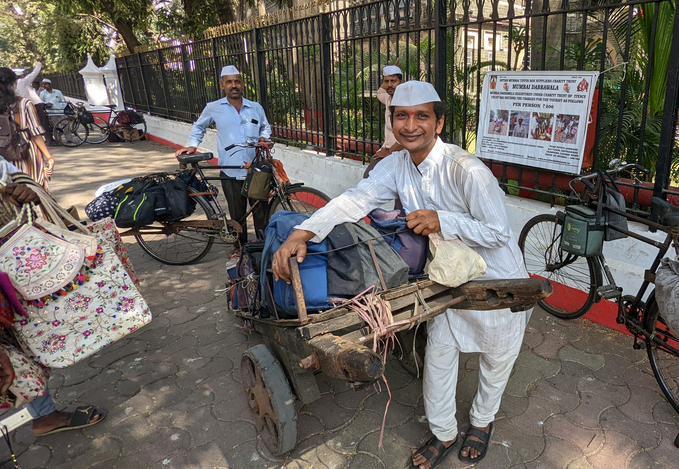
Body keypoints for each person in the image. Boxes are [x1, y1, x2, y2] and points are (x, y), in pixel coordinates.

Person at [272, 81, 531, 468]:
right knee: (440, 353)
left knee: (497, 356)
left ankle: (482, 421)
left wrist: (442, 219)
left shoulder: (466, 170)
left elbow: (498, 232)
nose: (411, 125)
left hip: (495, 275)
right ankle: (443, 431)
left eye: (422, 116)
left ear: (438, 123)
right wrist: (303, 232)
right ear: (392, 121)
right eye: (402, 116)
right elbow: (355, 198)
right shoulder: (396, 164)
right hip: (443, 277)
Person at [0, 171, 107, 437]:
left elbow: (15, 176)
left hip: (14, 262)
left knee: (20, 350)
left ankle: (45, 415)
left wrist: (27, 191)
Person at [175, 65, 271, 258]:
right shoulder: (214, 108)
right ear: (222, 85)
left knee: (261, 211)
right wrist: (193, 145)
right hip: (231, 169)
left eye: (237, 81)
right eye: (229, 82)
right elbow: (199, 127)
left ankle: (262, 247)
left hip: (256, 169)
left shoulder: (255, 107)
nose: (233, 85)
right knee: (237, 213)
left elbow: (265, 127)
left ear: (242, 83)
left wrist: (263, 138)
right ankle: (240, 248)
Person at [0, 67, 54, 190]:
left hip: (3, 159)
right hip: (25, 152)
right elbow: (35, 134)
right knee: (33, 191)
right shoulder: (24, 104)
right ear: (13, 84)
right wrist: (48, 157)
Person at [363, 65, 404, 179]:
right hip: (387, 149)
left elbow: (405, 135)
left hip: (402, 153)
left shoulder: (405, 103)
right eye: (386, 81)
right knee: (368, 177)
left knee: (400, 188)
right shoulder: (388, 98)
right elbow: (380, 92)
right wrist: (391, 70)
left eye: (393, 81)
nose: (389, 84)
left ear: (401, 82)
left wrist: (389, 152)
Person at [14, 62, 52, 146]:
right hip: (34, 104)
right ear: (21, 75)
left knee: (28, 124)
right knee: (43, 123)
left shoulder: (13, 85)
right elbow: (33, 74)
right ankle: (49, 140)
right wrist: (39, 64)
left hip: (22, 106)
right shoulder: (23, 81)